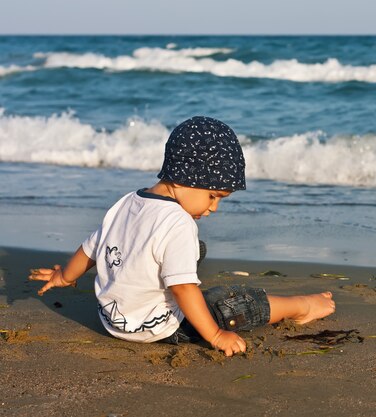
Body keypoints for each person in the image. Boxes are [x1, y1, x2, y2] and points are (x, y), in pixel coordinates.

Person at [29, 116, 335, 357]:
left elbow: (91, 249)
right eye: (214, 196)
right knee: (237, 302)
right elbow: (184, 290)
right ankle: (302, 306)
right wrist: (215, 335)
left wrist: (64, 277)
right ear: (189, 178)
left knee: (193, 251)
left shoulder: (127, 201)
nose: (214, 208)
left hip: (110, 321)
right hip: (156, 329)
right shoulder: (177, 223)